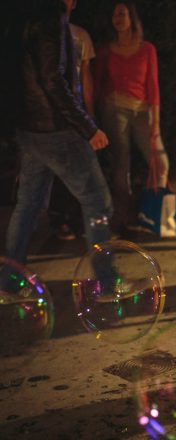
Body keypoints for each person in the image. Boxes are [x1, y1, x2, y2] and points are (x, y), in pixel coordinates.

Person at [5, 0, 112, 265]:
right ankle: (106, 282)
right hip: (56, 128)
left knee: (28, 205)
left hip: (30, 128)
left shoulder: (24, 15)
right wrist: (87, 127)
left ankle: (9, 279)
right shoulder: (50, 17)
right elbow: (53, 79)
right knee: (97, 201)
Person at [94, 0, 169, 236]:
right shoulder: (106, 51)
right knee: (121, 166)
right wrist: (92, 118)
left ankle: (159, 215)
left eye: (122, 13)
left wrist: (155, 122)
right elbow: (97, 84)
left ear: (132, 18)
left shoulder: (147, 49)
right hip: (115, 110)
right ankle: (122, 220)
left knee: (160, 161)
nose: (118, 17)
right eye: (115, 14)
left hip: (142, 111)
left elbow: (153, 87)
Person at [48, 0, 97, 240]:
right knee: (58, 169)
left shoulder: (81, 36)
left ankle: (77, 219)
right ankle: (58, 219)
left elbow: (85, 75)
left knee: (80, 167)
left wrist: (90, 114)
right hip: (54, 114)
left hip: (77, 112)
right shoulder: (44, 33)